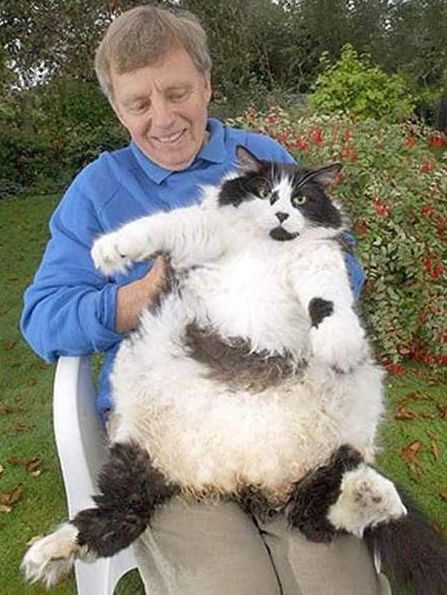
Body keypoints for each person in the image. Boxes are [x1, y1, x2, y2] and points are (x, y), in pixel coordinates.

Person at [21, 5, 390, 595]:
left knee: (338, 579)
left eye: (177, 93)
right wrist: (142, 293)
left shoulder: (259, 155)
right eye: (139, 104)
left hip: (285, 405)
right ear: (117, 108)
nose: (163, 118)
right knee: (233, 583)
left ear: (207, 85)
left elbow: (339, 263)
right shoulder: (97, 190)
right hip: (173, 418)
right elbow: (44, 318)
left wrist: (282, 274)